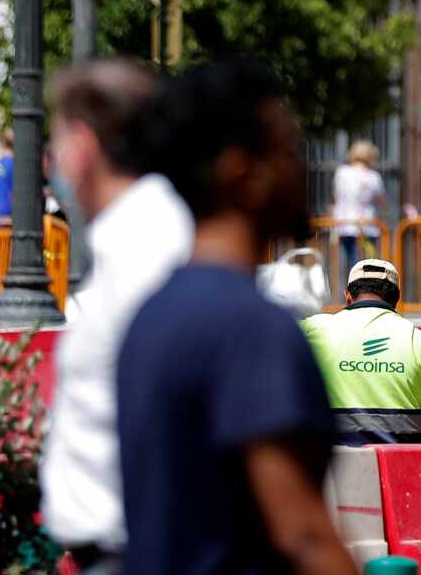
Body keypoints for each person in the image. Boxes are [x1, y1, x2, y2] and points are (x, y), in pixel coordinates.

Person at [117, 60, 356, 575]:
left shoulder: (151, 318)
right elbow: (304, 536)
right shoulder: (252, 328)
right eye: (287, 151)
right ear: (240, 169)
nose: (300, 169)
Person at [39, 60, 194, 574]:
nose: (53, 162)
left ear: (82, 146)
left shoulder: (146, 249)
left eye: (56, 143)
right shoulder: (127, 242)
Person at [302, 258, 421, 445]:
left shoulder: (313, 330)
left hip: (332, 468)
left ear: (347, 295)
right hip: (401, 468)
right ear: (397, 298)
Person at [332, 140, 386, 292]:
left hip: (345, 224)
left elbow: (337, 197)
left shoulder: (342, 173)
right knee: (366, 263)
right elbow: (381, 201)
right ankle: (364, 293)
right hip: (367, 224)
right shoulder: (373, 177)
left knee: (348, 263)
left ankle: (348, 293)